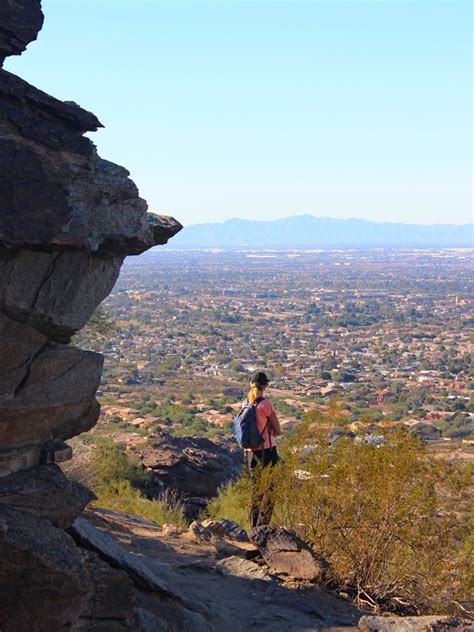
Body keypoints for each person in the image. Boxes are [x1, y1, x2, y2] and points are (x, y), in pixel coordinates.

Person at [245, 370, 283, 527]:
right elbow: (278, 430)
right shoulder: (266, 404)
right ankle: (264, 527)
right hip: (267, 451)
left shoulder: (245, 404)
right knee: (271, 489)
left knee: (256, 490)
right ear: (265, 385)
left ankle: (253, 527)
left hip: (250, 453)